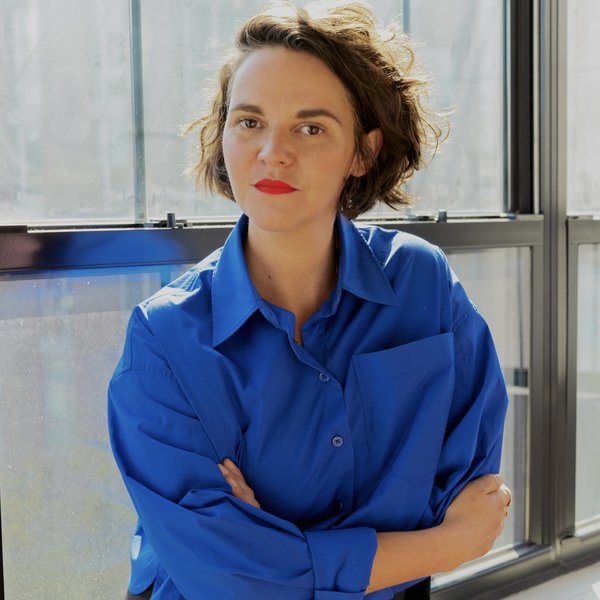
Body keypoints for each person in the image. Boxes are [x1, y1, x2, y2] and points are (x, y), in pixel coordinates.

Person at [108, 2, 512, 599]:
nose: (273, 151)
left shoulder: (422, 286)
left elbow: (468, 494)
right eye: (249, 121)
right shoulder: (164, 340)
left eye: (311, 126)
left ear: (363, 152)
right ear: (222, 136)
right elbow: (234, 581)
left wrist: (279, 544)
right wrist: (441, 546)